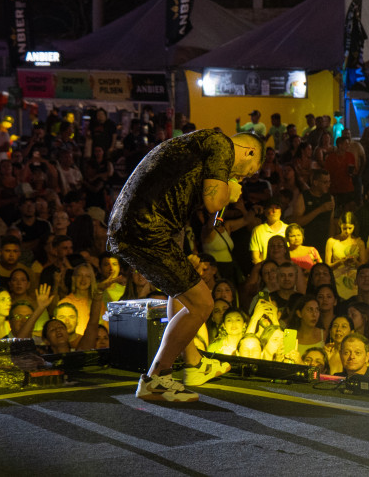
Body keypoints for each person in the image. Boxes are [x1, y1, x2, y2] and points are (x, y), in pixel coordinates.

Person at [108, 130, 263, 401]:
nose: (245, 177)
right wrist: (228, 188)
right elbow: (214, 201)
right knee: (203, 304)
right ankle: (157, 378)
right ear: (249, 152)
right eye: (250, 171)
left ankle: (193, 364)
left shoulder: (200, 146)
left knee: (180, 291)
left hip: (145, 225)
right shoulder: (222, 145)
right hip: (146, 227)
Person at [324, 212, 366, 300]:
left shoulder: (359, 243)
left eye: (350, 228)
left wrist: (355, 262)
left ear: (354, 227)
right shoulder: (332, 241)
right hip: (337, 279)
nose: (347, 231)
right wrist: (340, 262)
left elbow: (364, 267)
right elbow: (327, 266)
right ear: (340, 225)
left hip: (353, 280)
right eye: (344, 228)